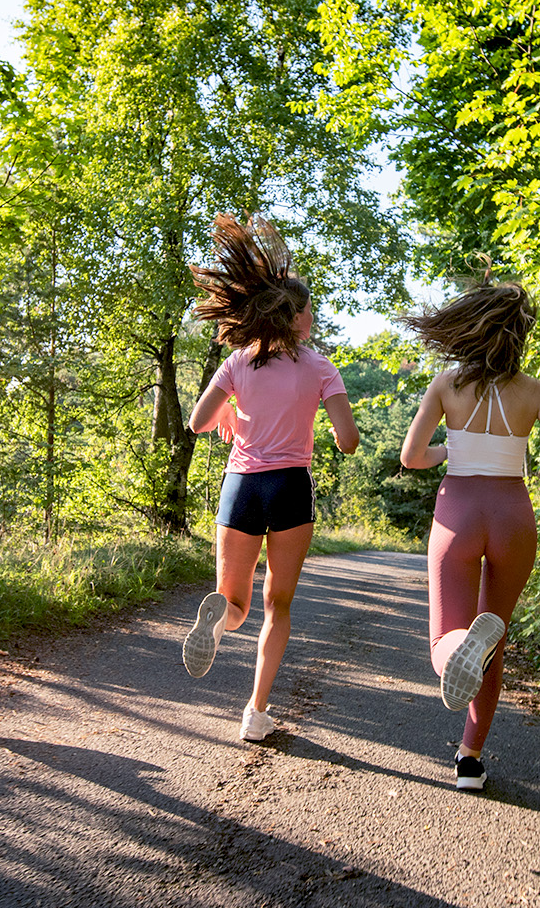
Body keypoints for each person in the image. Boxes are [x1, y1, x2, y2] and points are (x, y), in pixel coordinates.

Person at [398, 276, 540, 791]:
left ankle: (462, 648)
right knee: (495, 640)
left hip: (458, 513)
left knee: (449, 637)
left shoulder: (447, 384)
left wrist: (449, 452)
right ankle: (470, 758)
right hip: (513, 516)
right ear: (519, 336)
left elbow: (412, 457)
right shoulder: (535, 392)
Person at [182, 214, 359, 742]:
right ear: (298, 317)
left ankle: (216, 622)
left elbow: (196, 422)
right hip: (290, 487)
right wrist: (326, 427)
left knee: (233, 603)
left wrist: (229, 415)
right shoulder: (321, 367)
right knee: (276, 606)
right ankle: (255, 713)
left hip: (241, 486)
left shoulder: (238, 360)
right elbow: (348, 440)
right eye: (310, 309)